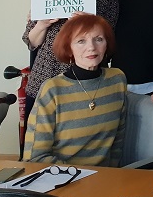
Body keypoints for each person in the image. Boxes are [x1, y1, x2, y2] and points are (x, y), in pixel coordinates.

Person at [22, 0, 119, 117]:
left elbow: (107, 39)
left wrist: (88, 24)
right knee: (38, 131)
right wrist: (41, 24)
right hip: (44, 77)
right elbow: (31, 41)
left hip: (84, 80)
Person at [24, 14, 127, 166]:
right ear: (69, 48)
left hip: (105, 177)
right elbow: (34, 157)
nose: (91, 47)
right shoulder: (53, 90)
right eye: (81, 41)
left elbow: (118, 142)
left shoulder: (117, 80)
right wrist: (78, 175)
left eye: (99, 39)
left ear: (107, 44)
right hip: (61, 176)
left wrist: (110, 175)